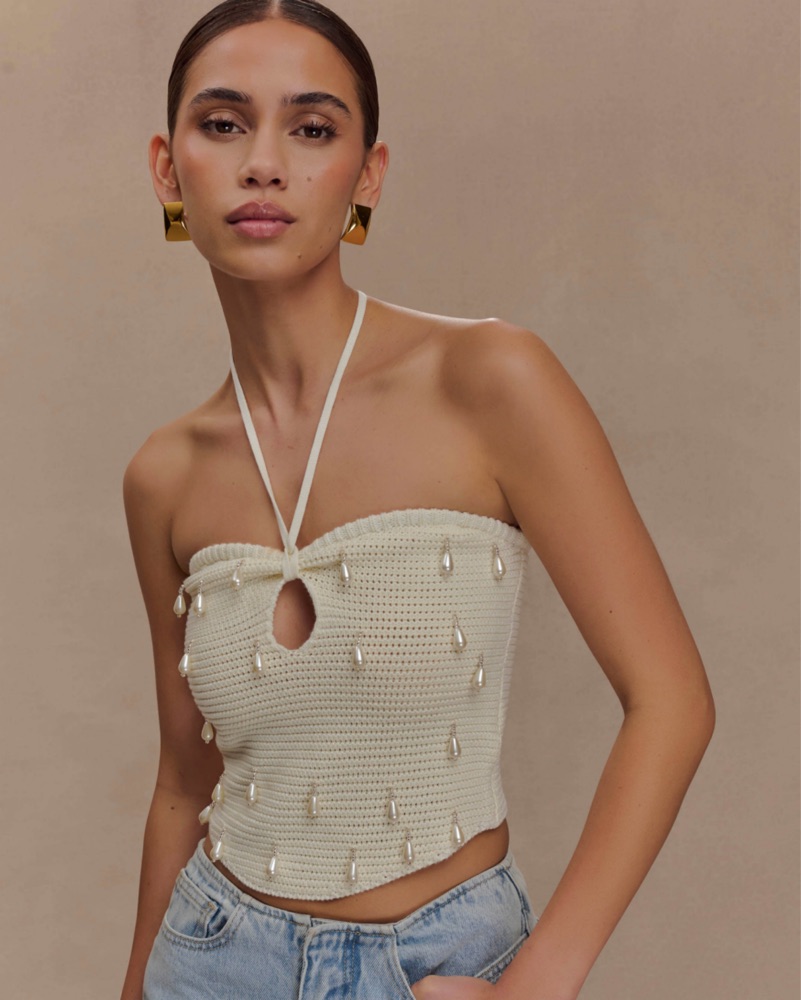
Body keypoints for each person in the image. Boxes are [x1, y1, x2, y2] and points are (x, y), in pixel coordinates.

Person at [120, 1, 715, 998]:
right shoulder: (165, 475)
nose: (263, 164)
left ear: (368, 176)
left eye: (312, 129)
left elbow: (673, 703)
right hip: (209, 958)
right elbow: (184, 779)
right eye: (222, 123)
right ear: (168, 170)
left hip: (439, 963)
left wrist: (536, 987)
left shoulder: (489, 380)